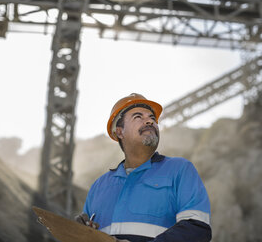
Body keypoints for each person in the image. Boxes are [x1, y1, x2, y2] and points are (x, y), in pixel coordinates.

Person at [76, 93, 211, 242]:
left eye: (152, 118)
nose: (149, 122)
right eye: (138, 117)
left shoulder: (179, 170)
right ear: (119, 131)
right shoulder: (98, 187)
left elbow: (197, 230)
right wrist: (80, 232)